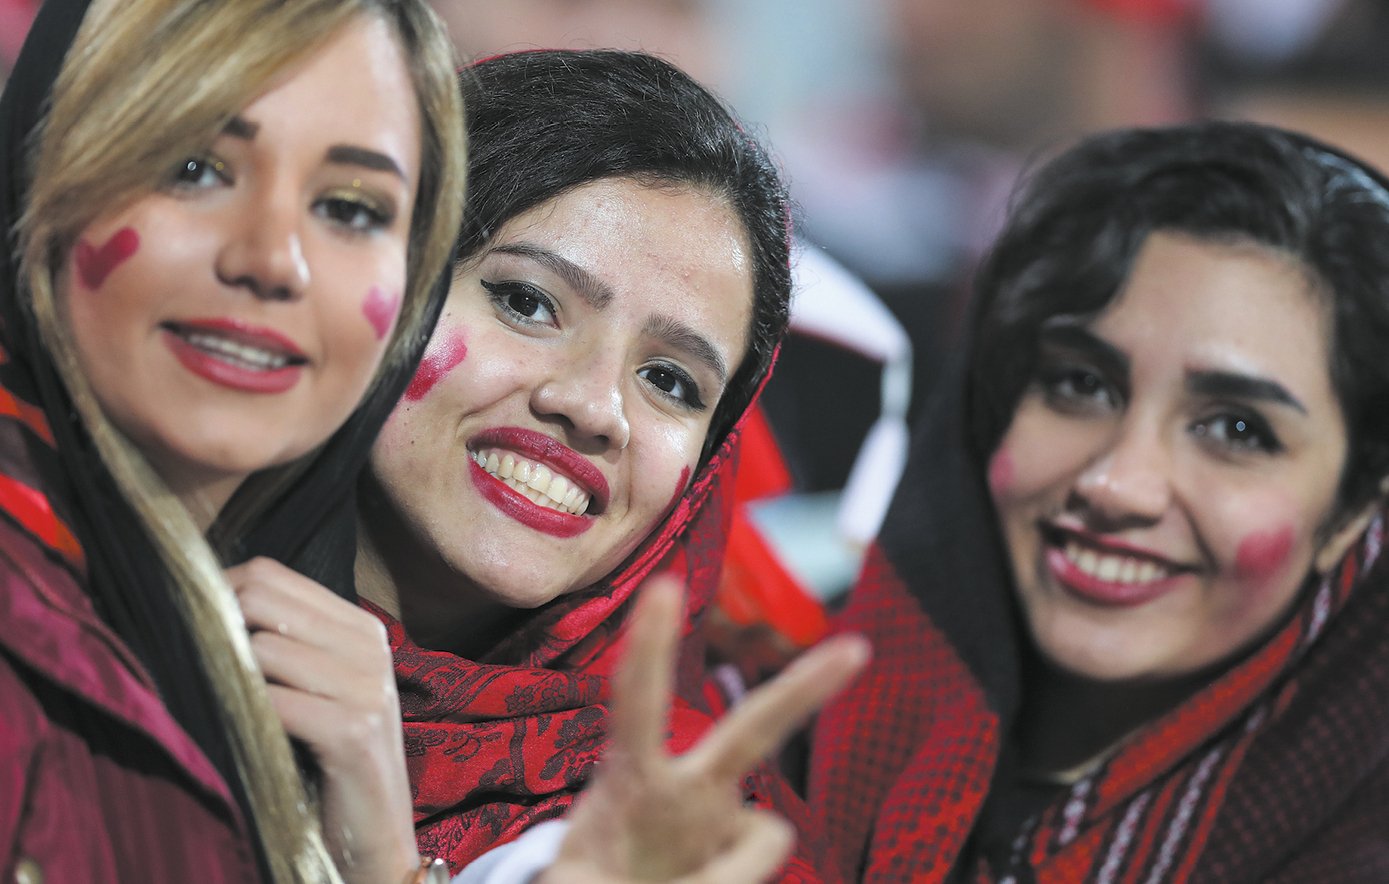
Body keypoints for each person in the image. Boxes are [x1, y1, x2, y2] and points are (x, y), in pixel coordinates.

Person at [810, 121, 1389, 881]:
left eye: (1236, 430)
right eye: (1079, 384)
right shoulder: (755, 739)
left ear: (1350, 515)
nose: (1116, 484)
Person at [348, 49, 866, 879]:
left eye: (669, 381)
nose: (592, 407)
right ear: (385, 277)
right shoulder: (111, 623)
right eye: (527, 301)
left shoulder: (694, 833)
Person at [0, 0, 464, 881]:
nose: (272, 258)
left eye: (351, 207)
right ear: (39, 177)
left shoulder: (305, 652)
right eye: (194, 168)